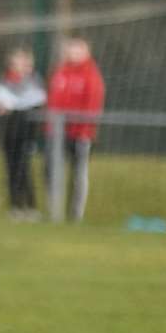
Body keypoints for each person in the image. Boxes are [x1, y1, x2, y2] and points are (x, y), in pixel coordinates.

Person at [47, 36, 105, 222]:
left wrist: (85, 131)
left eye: (79, 50)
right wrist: (50, 128)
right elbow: (53, 102)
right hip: (58, 133)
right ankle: (54, 211)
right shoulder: (61, 72)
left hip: (80, 134)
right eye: (72, 50)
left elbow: (93, 105)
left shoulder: (91, 75)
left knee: (78, 174)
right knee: (52, 170)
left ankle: (75, 214)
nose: (74, 54)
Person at [0, 46, 46, 219]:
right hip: (9, 132)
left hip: (27, 133)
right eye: (17, 59)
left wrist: (14, 104)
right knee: (11, 168)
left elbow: (36, 100)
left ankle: (30, 207)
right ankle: (15, 206)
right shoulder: (3, 82)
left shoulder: (34, 81)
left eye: (24, 60)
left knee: (25, 168)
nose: (20, 64)